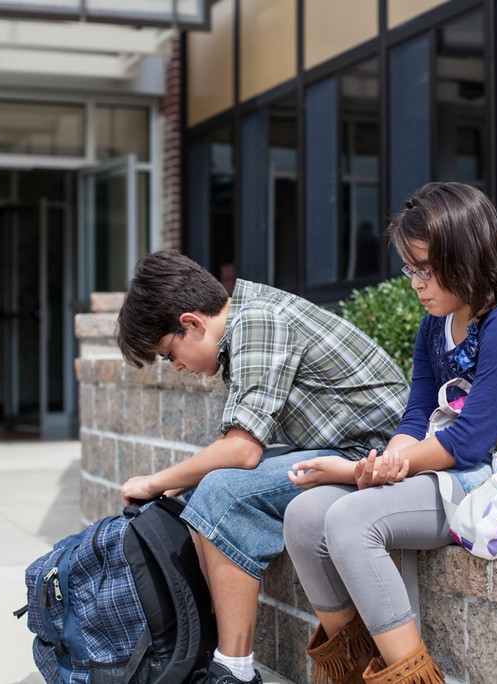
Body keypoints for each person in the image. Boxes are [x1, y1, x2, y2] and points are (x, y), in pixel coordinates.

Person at [283, 182, 497, 684]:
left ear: (468, 255)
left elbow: (472, 441)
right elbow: (415, 418)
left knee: (351, 520)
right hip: (454, 473)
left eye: (426, 269)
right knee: (304, 515)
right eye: (410, 268)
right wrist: (384, 464)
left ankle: (410, 677)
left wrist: (359, 472)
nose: (416, 283)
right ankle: (351, 672)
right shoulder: (433, 326)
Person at [114, 250, 409, 684]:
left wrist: (156, 481)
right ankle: (203, 654)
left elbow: (242, 452)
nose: (175, 367)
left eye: (168, 353)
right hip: (344, 447)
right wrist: (175, 488)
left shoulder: (260, 321)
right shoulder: (246, 323)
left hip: (374, 457)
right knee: (199, 494)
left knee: (221, 494)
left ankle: (233, 671)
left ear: (192, 323)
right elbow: (238, 446)